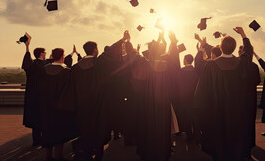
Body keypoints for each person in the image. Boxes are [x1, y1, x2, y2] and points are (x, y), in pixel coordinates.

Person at [193, 27, 253, 161]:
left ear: (220, 47)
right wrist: (243, 34)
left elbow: (203, 90)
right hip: (237, 111)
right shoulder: (242, 63)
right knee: (236, 141)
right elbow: (248, 52)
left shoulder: (211, 66)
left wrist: (202, 46)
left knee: (219, 143)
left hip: (217, 112)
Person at [70, 31, 131, 161]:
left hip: (82, 106)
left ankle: (85, 154)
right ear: (95, 50)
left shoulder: (75, 68)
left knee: (85, 130)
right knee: (99, 132)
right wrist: (123, 39)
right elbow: (111, 51)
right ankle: (98, 155)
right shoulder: (100, 63)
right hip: (99, 105)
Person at [130, 31, 180, 161]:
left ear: (150, 52)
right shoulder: (168, 65)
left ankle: (148, 153)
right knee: (163, 129)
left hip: (147, 105)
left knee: (147, 128)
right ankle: (162, 153)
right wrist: (173, 42)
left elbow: (133, 59)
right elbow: (174, 59)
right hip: (163, 105)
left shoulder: (143, 65)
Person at [39, 48, 78, 161]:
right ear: (62, 56)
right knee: (59, 131)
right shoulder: (66, 72)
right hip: (60, 107)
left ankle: (47, 155)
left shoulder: (43, 70)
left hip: (46, 106)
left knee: (47, 130)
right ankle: (59, 156)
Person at [21, 33, 50, 146]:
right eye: (45, 52)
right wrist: (27, 47)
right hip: (43, 95)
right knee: (42, 117)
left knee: (36, 118)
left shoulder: (35, 64)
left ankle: (37, 140)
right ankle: (41, 139)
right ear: (41, 54)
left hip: (34, 95)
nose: (46, 54)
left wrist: (27, 47)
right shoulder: (42, 64)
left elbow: (27, 62)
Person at [238, 45, 261, 159]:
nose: (238, 52)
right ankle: (249, 143)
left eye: (240, 51)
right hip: (250, 97)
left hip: (238, 98)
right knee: (249, 122)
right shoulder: (254, 66)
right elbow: (258, 81)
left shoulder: (236, 65)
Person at [175, 54, 199, 142]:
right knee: (195, 117)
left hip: (184, 97)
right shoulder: (196, 71)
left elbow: (178, 85)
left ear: (185, 60)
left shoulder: (181, 71)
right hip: (194, 96)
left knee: (186, 116)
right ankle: (197, 135)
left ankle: (190, 135)